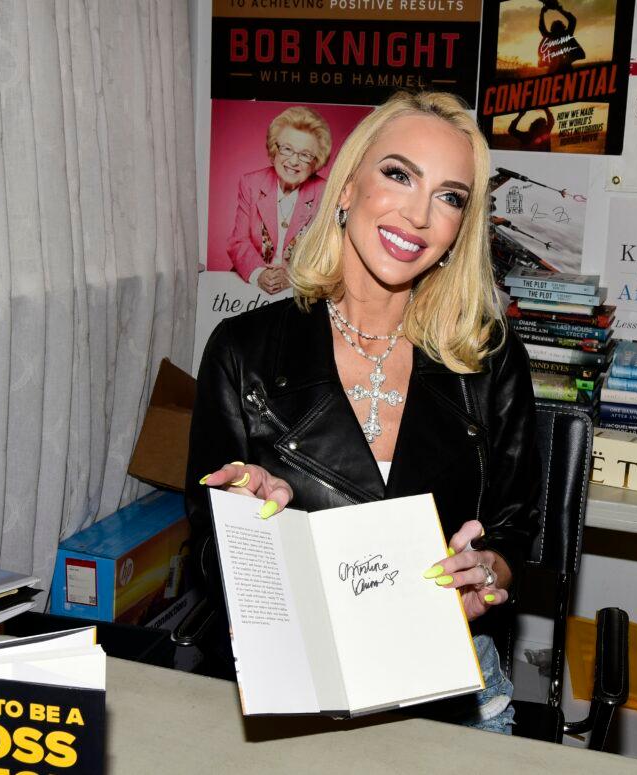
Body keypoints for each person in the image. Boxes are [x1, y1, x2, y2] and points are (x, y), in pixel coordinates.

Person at [186, 92, 540, 734]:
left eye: (450, 196)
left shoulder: (488, 356)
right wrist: (250, 522)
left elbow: (517, 528)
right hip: (294, 687)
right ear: (346, 188)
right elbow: (210, 558)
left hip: (449, 695)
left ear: (462, 226)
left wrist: (490, 570)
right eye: (399, 175)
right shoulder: (243, 353)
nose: (418, 214)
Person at [226, 106, 332, 296]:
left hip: (300, 292)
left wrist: (292, 277)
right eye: (287, 149)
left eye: (305, 155)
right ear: (275, 150)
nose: (293, 161)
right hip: (250, 288)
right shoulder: (251, 183)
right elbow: (238, 241)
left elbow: (328, 253)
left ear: (316, 161)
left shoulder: (325, 192)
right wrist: (259, 274)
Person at [538, 0, 585, 73]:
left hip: (554, 70)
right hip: (565, 69)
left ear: (552, 29)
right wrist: (559, 9)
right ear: (563, 27)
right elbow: (572, 20)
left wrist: (542, 13)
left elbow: (542, 28)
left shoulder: (552, 36)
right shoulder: (566, 34)